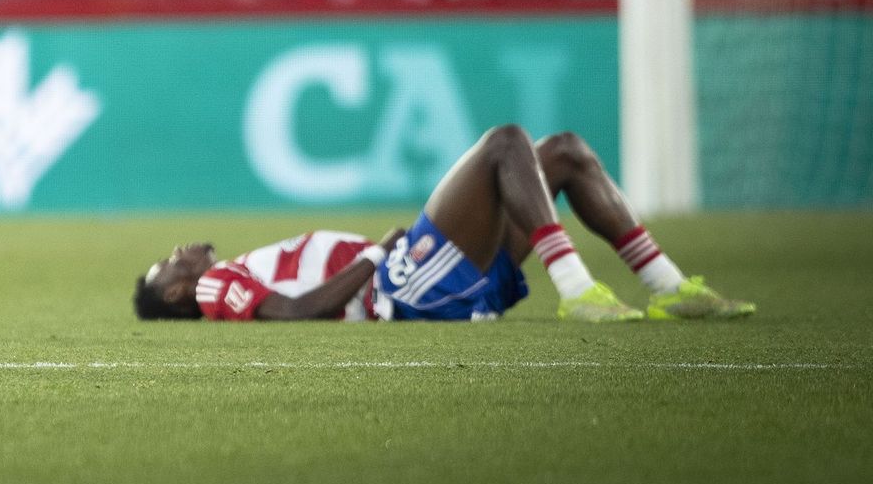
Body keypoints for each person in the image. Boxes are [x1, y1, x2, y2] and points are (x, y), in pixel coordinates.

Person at [137, 126, 753, 323]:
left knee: (561, 152)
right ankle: (577, 293)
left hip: (415, 277)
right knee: (504, 144)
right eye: (169, 260)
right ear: (175, 291)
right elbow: (293, 315)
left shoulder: (231, 272)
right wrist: (377, 255)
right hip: (401, 285)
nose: (180, 251)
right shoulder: (217, 284)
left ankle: (671, 288)